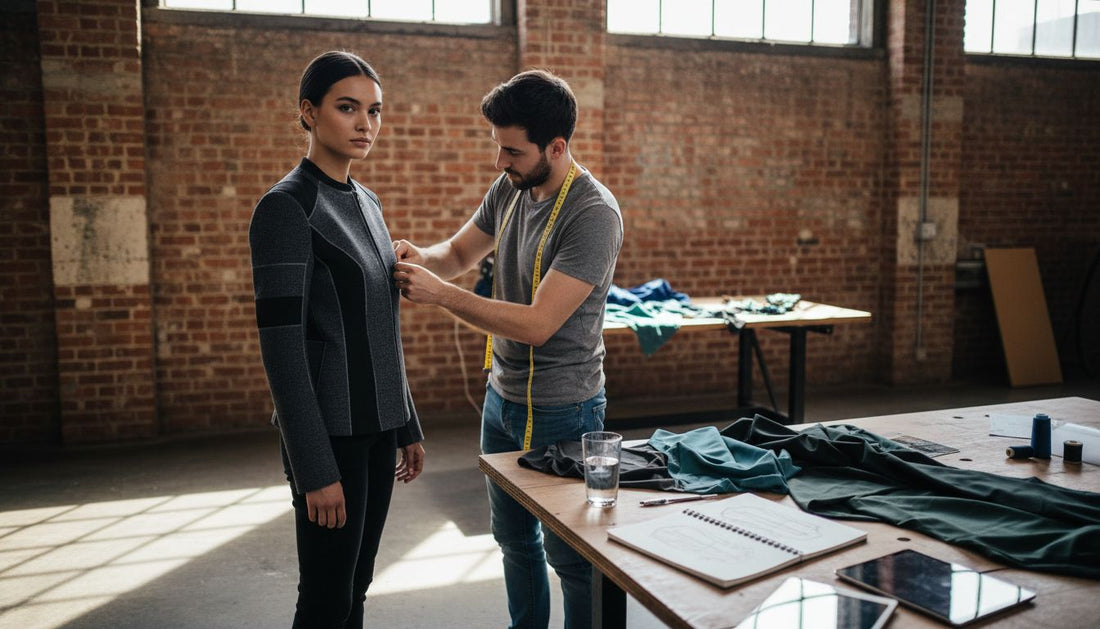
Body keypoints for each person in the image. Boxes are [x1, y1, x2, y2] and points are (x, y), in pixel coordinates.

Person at [392, 69, 623, 629]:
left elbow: (539, 325)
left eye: (512, 151)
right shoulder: (512, 187)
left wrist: (442, 297)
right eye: (498, 148)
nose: (500, 162)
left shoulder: (593, 215)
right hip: (503, 400)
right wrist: (418, 258)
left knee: (571, 557)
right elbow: (455, 253)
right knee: (514, 542)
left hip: (563, 410)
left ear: (557, 146)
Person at [248, 50, 425, 629]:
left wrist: (406, 423)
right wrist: (314, 468)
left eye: (374, 111)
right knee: (325, 598)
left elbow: (380, 322)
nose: (364, 124)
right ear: (308, 112)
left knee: (357, 586)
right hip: (329, 436)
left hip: (377, 429)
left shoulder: (369, 203)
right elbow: (282, 351)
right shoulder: (285, 208)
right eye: (347, 108)